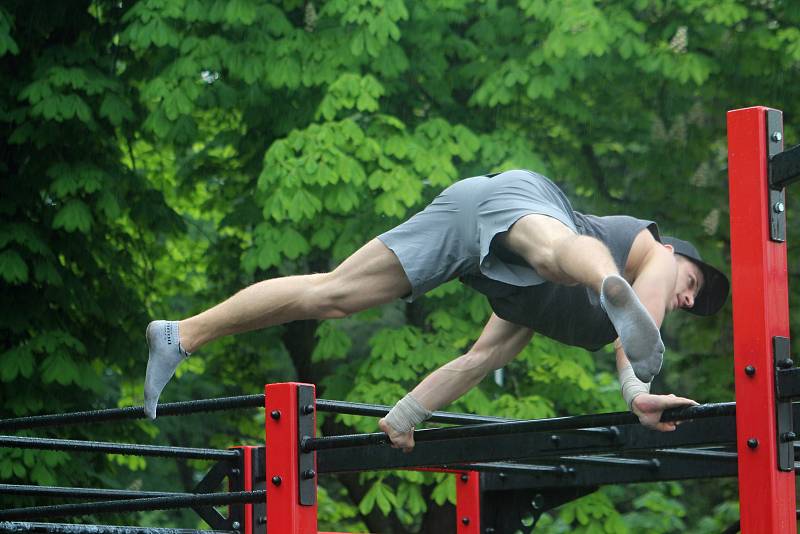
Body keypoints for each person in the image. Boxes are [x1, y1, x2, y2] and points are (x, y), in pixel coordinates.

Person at [144, 169, 729, 452]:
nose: (688, 296)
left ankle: (181, 335)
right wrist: (634, 387)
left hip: (467, 217)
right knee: (555, 257)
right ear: (679, 258)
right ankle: (602, 280)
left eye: (692, 303)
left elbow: (478, 359)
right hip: (524, 203)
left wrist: (405, 415)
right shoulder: (648, 245)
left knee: (333, 295)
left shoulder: (537, 311)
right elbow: (652, 288)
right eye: (694, 282)